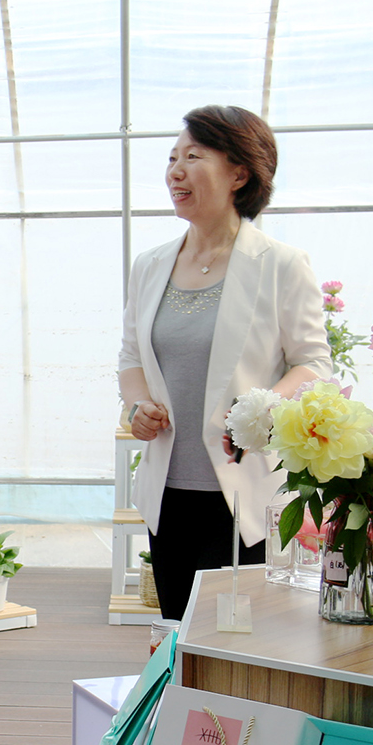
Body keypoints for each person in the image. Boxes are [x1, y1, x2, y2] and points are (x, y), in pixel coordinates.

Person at [118, 105, 331, 622]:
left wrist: (261, 408)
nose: (175, 171)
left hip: (244, 492)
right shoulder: (150, 265)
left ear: (239, 173)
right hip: (169, 493)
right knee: (178, 634)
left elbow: (312, 363)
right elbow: (131, 357)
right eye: (172, 158)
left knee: (239, 640)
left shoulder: (281, 264)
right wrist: (138, 405)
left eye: (193, 157)